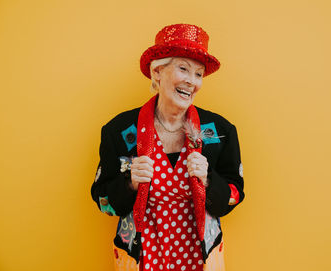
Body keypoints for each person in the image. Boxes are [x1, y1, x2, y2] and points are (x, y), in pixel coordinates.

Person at [91, 23, 244, 271]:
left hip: (200, 258)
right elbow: (103, 200)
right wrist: (130, 182)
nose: (192, 81)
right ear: (157, 72)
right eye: (183, 68)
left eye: (198, 74)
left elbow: (234, 195)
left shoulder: (221, 131)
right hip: (142, 258)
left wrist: (208, 180)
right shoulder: (118, 131)